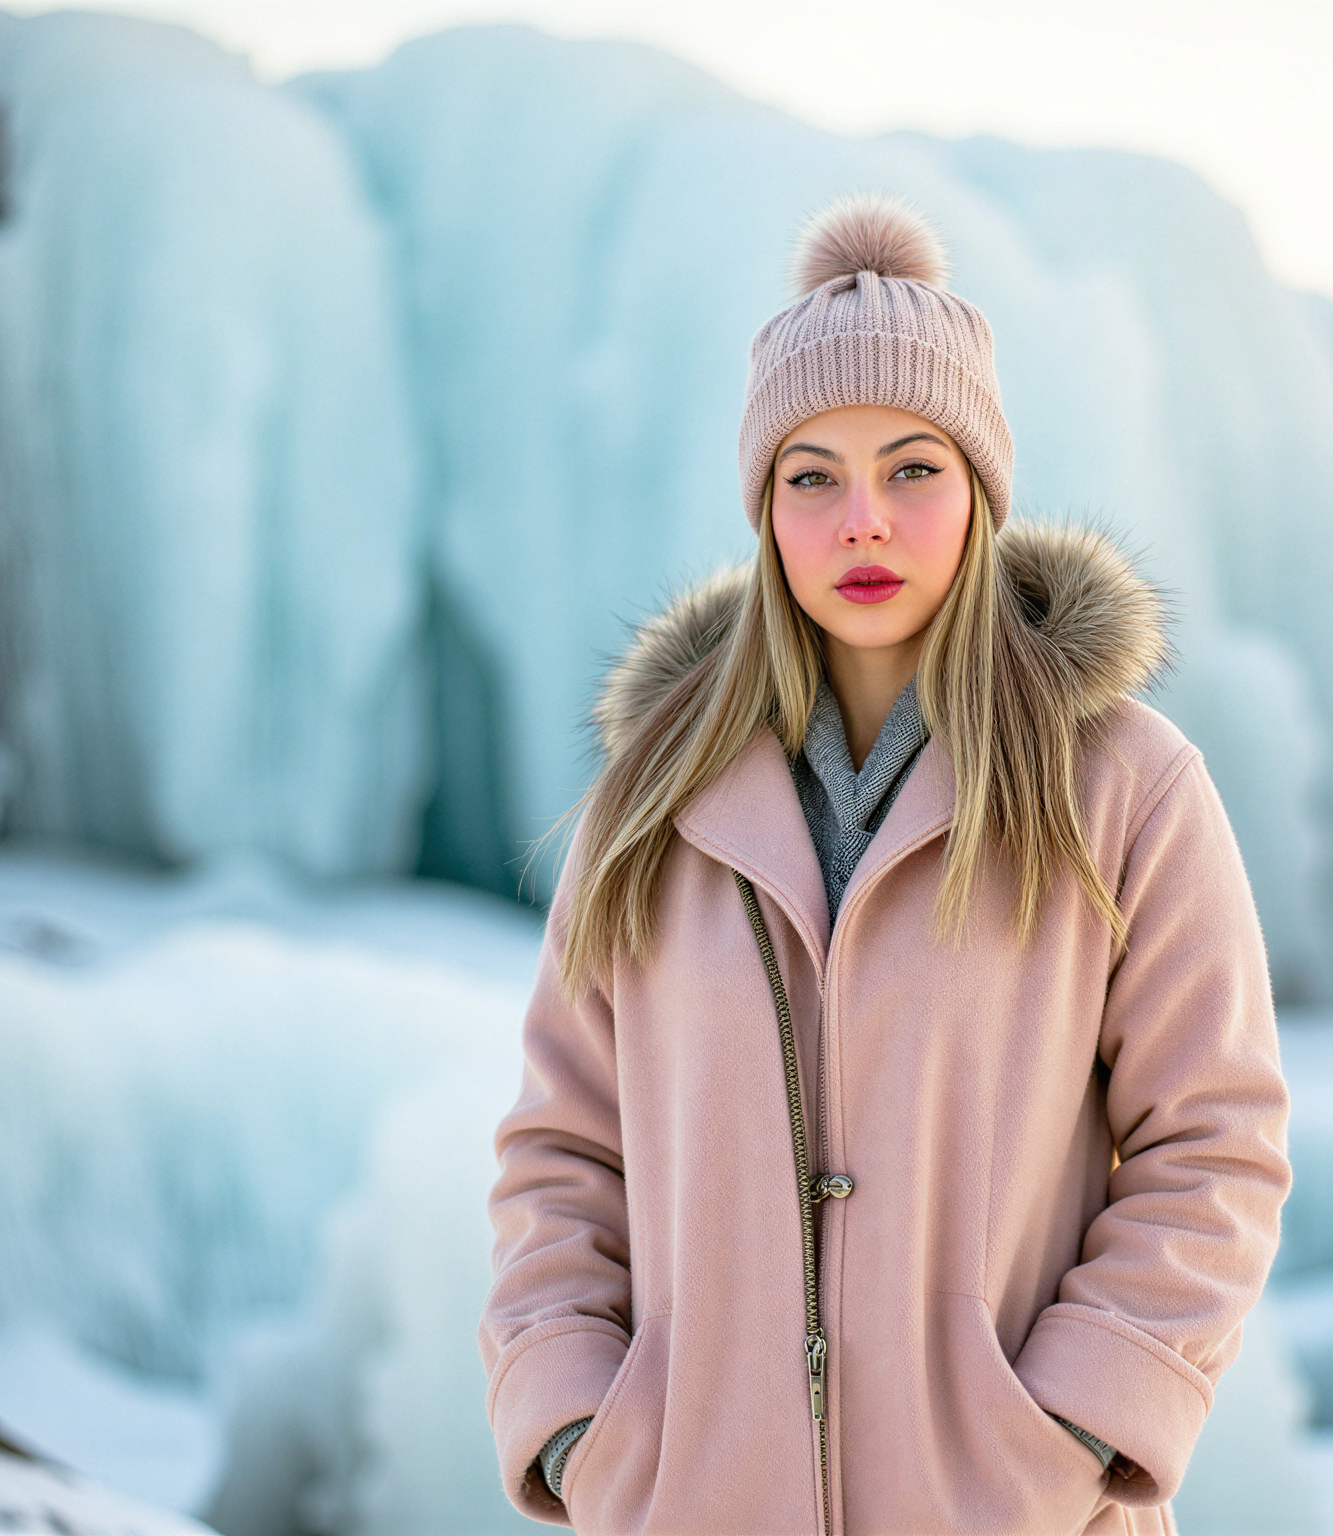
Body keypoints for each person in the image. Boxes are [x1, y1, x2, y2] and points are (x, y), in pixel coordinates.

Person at [479, 193, 1292, 1536]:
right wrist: (580, 1430)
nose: (865, 520)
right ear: (766, 508)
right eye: (814, 477)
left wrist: (1072, 1430)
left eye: (914, 467)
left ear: (979, 490)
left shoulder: (1126, 784)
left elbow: (1214, 1143)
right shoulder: (652, 799)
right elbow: (563, 1151)